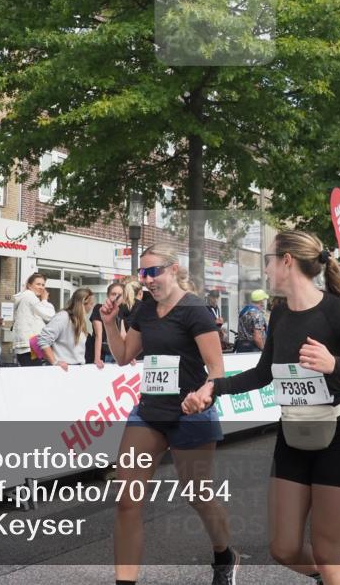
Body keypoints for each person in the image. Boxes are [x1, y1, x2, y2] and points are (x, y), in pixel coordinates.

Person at [183, 230, 340, 585]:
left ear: (287, 261)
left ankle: (335, 572)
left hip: (338, 436)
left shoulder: (336, 311)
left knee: (326, 552)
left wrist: (334, 364)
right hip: (293, 436)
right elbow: (264, 373)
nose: (264, 269)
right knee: (284, 548)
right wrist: (215, 387)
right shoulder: (279, 315)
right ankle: (337, 576)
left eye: (268, 260)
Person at [98, 243, 238, 585]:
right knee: (126, 500)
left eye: (154, 272)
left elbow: (216, 369)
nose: (147, 280)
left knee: (197, 495)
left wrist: (203, 396)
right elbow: (124, 355)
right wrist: (110, 323)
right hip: (149, 411)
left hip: (191, 414)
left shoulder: (195, 311)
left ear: (173, 269)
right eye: (143, 273)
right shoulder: (145, 309)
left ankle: (224, 555)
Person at [38, 287, 94, 370]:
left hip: (76, 368)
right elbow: (43, 340)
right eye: (91, 303)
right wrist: (55, 362)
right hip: (64, 369)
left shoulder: (80, 321)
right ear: (83, 303)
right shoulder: (63, 317)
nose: (92, 306)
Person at [10, 272, 55, 366]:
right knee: (33, 374)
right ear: (29, 285)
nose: (41, 287)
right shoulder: (30, 296)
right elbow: (49, 315)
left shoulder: (25, 297)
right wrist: (45, 300)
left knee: (30, 373)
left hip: (27, 344)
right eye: (38, 284)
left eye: (43, 285)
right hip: (30, 345)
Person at [88, 282, 126, 366]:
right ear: (108, 295)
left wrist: (128, 355)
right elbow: (99, 334)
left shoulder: (120, 310)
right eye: (113, 294)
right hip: (104, 354)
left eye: (120, 294)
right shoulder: (99, 308)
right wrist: (97, 358)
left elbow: (123, 334)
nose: (116, 297)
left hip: (116, 354)